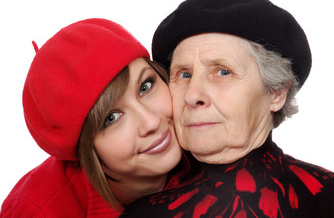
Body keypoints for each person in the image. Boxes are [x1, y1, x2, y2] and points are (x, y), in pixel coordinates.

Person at [120, 0, 334, 217]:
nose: (192, 95)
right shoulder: (143, 212)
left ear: (277, 92)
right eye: (184, 74)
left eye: (222, 72)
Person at [0, 18, 199, 217]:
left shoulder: (210, 136)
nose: (151, 122)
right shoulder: (36, 210)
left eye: (145, 87)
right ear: (86, 150)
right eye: (111, 118)